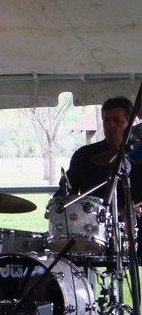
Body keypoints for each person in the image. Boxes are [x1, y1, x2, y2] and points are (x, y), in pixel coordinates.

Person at [58, 96, 142, 258]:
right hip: (94, 230)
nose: (110, 126)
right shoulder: (84, 155)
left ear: (130, 124)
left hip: (136, 225)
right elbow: (65, 196)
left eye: (117, 121)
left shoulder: (139, 155)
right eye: (106, 120)